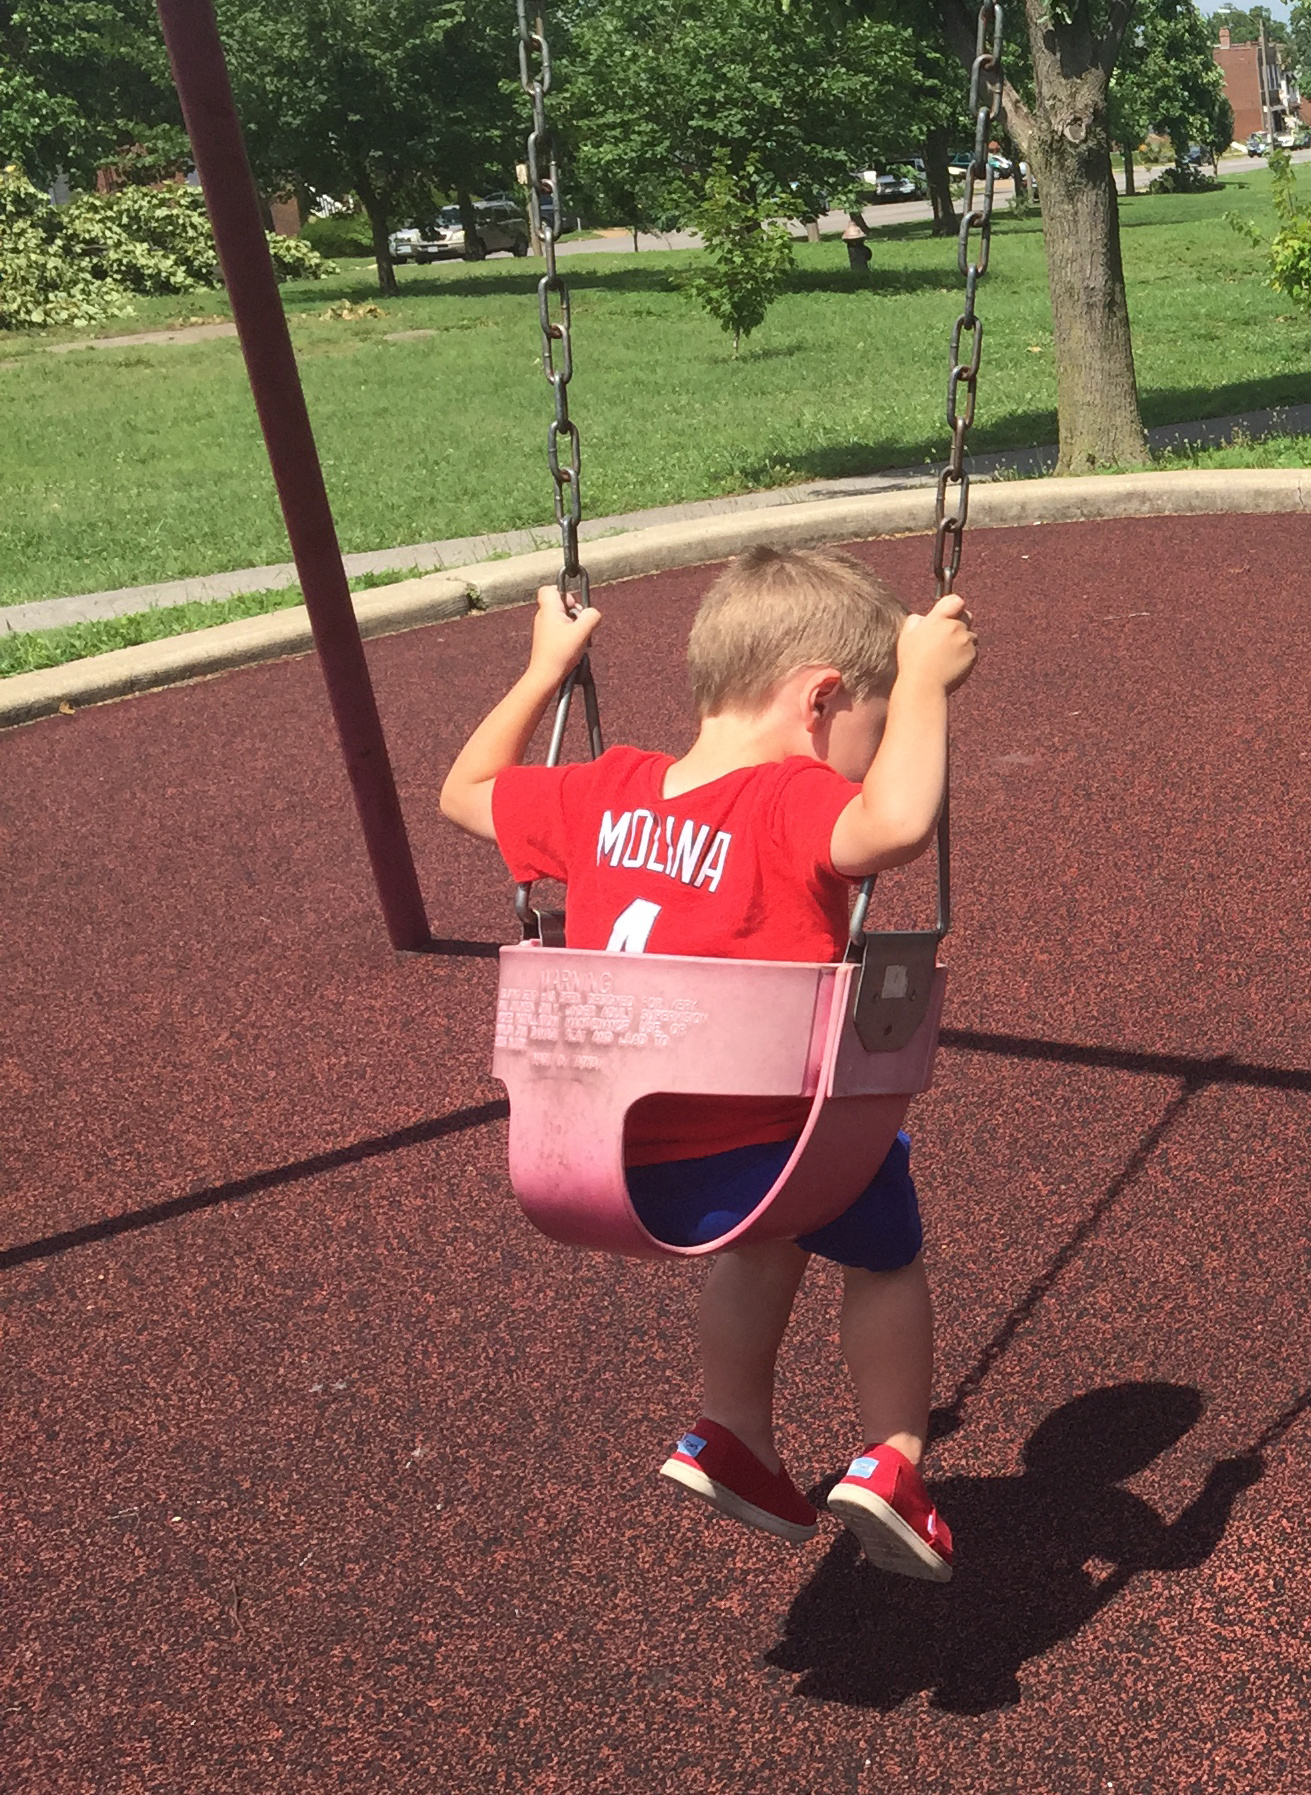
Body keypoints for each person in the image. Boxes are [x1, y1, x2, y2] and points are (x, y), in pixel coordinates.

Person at [440, 546, 977, 1581]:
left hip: (612, 1166)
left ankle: (732, 1427)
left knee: (765, 1238)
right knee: (881, 1237)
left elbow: (464, 792)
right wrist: (923, 683)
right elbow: (899, 823)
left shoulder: (604, 791)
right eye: (866, 730)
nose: (866, 762)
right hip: (772, 1159)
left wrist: (546, 668)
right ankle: (896, 1458)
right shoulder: (790, 802)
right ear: (822, 700)